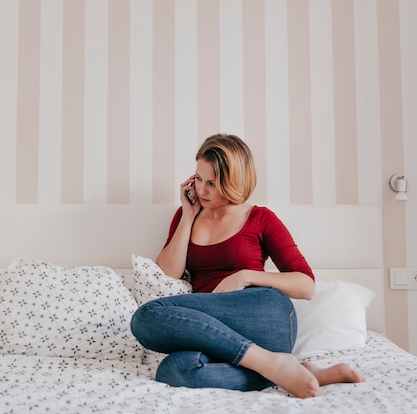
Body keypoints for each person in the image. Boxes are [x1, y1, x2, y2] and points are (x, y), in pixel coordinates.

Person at [130, 134, 363, 398]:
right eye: (198, 178)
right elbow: (168, 272)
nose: (202, 190)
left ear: (233, 182)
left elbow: (306, 285)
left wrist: (245, 276)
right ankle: (288, 369)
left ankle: (276, 363)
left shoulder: (261, 218)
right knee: (175, 370)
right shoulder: (189, 215)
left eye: (213, 183)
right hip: (213, 331)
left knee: (147, 314)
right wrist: (187, 215)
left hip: (263, 316)